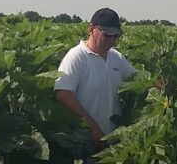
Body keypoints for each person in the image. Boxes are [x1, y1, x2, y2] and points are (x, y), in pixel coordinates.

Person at [54, 8, 137, 155]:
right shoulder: (77, 56)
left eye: (116, 36)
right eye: (107, 35)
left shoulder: (116, 57)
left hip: (111, 140)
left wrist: (157, 83)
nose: (112, 40)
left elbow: (137, 79)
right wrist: (92, 127)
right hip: (84, 140)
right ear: (91, 29)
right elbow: (63, 93)